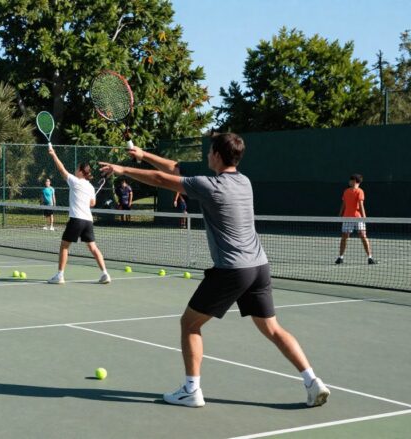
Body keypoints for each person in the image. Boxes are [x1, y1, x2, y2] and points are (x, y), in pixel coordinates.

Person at [100, 133, 330, 408]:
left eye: (210, 152)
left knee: (189, 324)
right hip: (258, 266)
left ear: (218, 156)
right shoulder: (244, 182)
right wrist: (144, 155)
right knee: (272, 328)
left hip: (232, 270)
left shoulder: (210, 186)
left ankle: (191, 390)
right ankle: (312, 381)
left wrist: (121, 169)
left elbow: (163, 180)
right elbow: (176, 170)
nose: (207, 156)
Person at [46, 145, 110, 285]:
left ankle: (60, 275)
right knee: (93, 247)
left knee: (64, 246)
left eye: (77, 168)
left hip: (76, 220)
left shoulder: (75, 182)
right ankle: (105, 273)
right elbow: (92, 203)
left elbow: (61, 169)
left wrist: (53, 154)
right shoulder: (91, 187)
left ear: (81, 172)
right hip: (88, 221)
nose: (75, 170)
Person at [335, 174, 375, 265]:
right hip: (347, 218)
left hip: (358, 218)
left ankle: (370, 257)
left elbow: (361, 205)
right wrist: (340, 214)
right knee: (344, 237)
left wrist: (364, 217)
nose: (349, 182)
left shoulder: (360, 191)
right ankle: (340, 257)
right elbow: (344, 204)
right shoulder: (346, 191)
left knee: (363, 236)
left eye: (350, 180)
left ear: (355, 181)